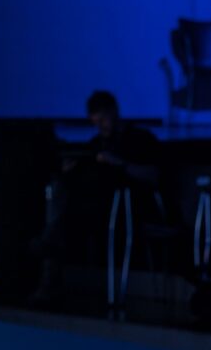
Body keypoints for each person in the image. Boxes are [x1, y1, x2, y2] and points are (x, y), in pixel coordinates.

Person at [29, 90, 160, 304]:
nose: (101, 127)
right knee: (59, 189)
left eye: (104, 120)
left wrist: (119, 163)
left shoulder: (139, 139)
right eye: (96, 122)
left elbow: (154, 176)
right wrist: (71, 170)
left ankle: (48, 246)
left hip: (129, 208)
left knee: (64, 222)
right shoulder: (96, 143)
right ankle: (48, 259)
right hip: (93, 209)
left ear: (114, 112)